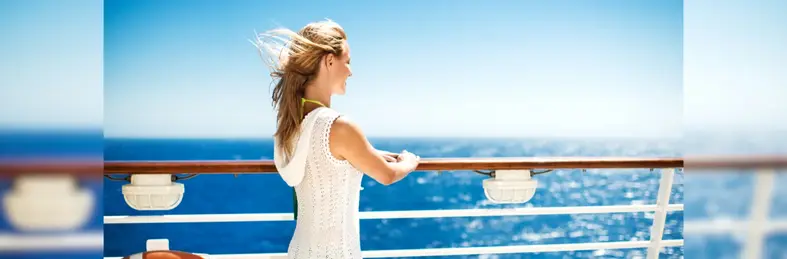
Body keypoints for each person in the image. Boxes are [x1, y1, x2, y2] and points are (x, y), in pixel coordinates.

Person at [253, 19, 421, 259]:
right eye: (348, 62)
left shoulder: (293, 125)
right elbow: (387, 174)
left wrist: (369, 153)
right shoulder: (339, 126)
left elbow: (327, 157)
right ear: (329, 60)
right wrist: (409, 161)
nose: (351, 71)